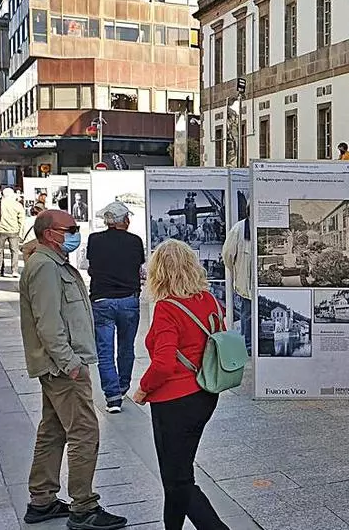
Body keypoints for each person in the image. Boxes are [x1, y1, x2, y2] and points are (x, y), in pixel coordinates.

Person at [20, 210, 127, 530]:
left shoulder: (52, 263)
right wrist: (70, 363)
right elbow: (48, 322)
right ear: (50, 233)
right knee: (84, 431)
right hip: (63, 367)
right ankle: (84, 507)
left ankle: (42, 500)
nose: (75, 233)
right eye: (70, 229)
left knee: (53, 430)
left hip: (60, 364)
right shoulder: (44, 266)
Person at [130, 239, 231, 530]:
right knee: (177, 474)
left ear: (158, 272)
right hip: (205, 393)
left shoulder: (166, 308)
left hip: (174, 402)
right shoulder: (208, 300)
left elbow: (163, 363)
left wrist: (143, 389)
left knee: (178, 480)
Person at [87, 202, 146, 414]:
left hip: (102, 300)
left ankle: (112, 397)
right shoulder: (135, 241)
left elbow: (91, 267)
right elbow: (138, 266)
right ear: (125, 220)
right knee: (126, 346)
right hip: (128, 300)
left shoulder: (94, 239)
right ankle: (122, 386)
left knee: (105, 351)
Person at [221, 211, 253, 354]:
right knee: (247, 313)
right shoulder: (239, 229)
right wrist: (238, 271)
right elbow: (227, 255)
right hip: (246, 283)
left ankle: (252, 346)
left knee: (248, 314)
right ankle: (247, 346)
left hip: (256, 283)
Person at [0, 188, 26, 277]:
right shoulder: (17, 205)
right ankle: (14, 270)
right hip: (13, 230)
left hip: (0, 230)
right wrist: (20, 230)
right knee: (14, 251)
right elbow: (22, 219)